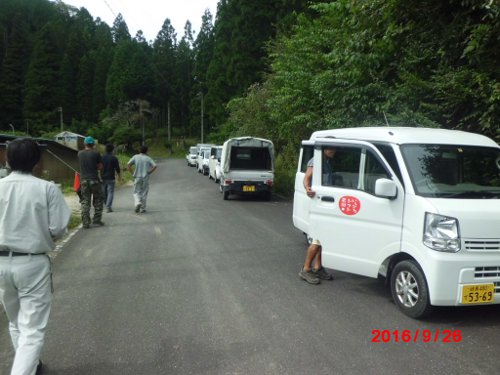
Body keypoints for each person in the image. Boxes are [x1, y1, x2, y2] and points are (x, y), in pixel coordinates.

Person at [0, 138, 71, 375]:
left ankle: (32, 365)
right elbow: (59, 228)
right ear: (37, 161)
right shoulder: (46, 188)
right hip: (32, 262)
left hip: (1, 263)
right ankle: (26, 367)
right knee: (32, 331)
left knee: (15, 321)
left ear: (7, 159)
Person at [299, 147, 335, 284]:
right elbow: (307, 178)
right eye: (330, 148)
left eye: (334, 148)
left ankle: (317, 267)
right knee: (317, 239)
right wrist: (307, 188)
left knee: (323, 239)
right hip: (319, 204)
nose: (333, 150)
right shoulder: (316, 161)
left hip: (326, 204)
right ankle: (306, 269)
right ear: (323, 149)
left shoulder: (326, 162)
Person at [78, 136, 104, 228]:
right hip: (94, 180)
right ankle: (96, 220)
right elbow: (100, 167)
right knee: (98, 200)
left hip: (84, 180)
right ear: (93, 144)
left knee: (85, 201)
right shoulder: (96, 153)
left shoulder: (79, 153)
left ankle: (86, 222)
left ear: (84, 144)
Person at [127, 145, 157, 213]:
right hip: (145, 177)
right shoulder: (148, 158)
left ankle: (137, 202)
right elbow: (155, 166)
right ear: (146, 151)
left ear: (139, 150)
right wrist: (149, 172)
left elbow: (128, 164)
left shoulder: (135, 156)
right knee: (144, 192)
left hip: (137, 177)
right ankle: (142, 208)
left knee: (136, 192)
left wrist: (132, 173)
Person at [101, 143, 121, 213]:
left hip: (103, 177)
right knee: (110, 192)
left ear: (105, 149)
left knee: (105, 192)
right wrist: (119, 177)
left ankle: (106, 205)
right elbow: (117, 168)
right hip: (111, 178)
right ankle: (108, 207)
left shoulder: (102, 157)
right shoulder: (114, 158)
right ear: (112, 150)